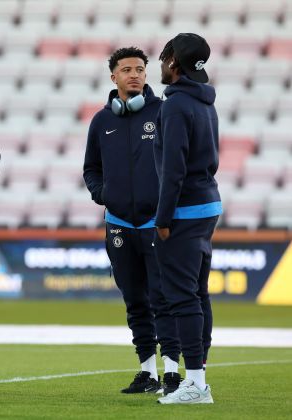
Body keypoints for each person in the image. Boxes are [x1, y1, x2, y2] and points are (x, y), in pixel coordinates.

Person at [83, 47, 182, 396]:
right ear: (114, 77)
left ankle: (172, 373)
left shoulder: (164, 112)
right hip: (118, 224)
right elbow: (90, 169)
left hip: (157, 224)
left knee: (163, 299)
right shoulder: (101, 122)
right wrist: (103, 194)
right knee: (135, 302)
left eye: (140, 69)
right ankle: (147, 372)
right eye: (127, 69)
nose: (135, 74)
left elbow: (177, 164)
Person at [154, 33, 222, 405]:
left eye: (163, 59)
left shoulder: (176, 105)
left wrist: (163, 218)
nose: (160, 66)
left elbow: (173, 169)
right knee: (197, 294)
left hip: (183, 210)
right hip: (207, 204)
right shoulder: (205, 103)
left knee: (182, 298)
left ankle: (194, 383)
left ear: (173, 62)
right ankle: (199, 376)